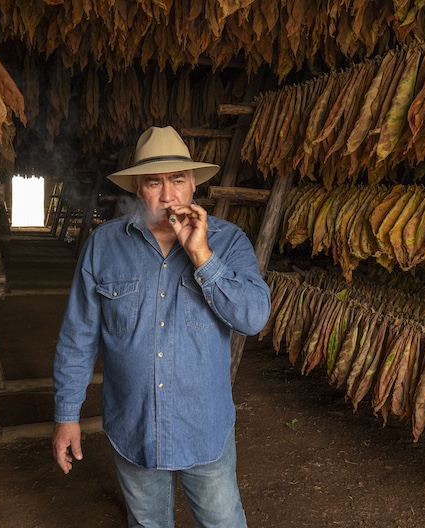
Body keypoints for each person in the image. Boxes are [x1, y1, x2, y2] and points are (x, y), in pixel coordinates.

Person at [52, 125, 271, 528]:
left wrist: (202, 255)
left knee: (222, 522)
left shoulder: (228, 241)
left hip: (204, 426)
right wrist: (67, 416)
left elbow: (254, 317)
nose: (167, 196)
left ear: (193, 186)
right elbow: (77, 336)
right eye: (155, 182)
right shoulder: (104, 245)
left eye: (177, 181)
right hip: (134, 429)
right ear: (138, 187)